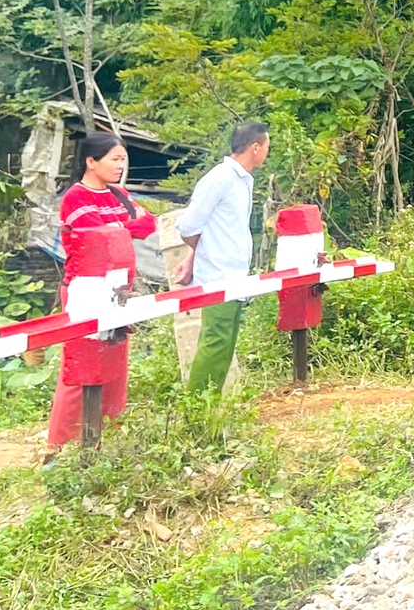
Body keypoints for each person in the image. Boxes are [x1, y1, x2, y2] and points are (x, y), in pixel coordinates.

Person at [46, 131, 158, 452]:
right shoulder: (75, 198)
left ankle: (104, 437)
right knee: (80, 368)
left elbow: (148, 224)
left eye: (123, 159)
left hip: (118, 291)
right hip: (85, 291)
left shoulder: (119, 194)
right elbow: (94, 234)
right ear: (91, 162)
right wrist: (121, 227)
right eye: (114, 159)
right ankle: (59, 444)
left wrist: (116, 227)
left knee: (115, 365)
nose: (121, 165)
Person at [174, 120, 270, 396]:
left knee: (225, 343)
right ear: (255, 147)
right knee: (215, 341)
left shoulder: (241, 179)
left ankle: (212, 405)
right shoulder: (219, 178)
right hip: (217, 274)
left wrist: (194, 254)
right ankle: (195, 409)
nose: (266, 152)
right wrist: (199, 253)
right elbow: (188, 225)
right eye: (266, 146)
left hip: (235, 272)